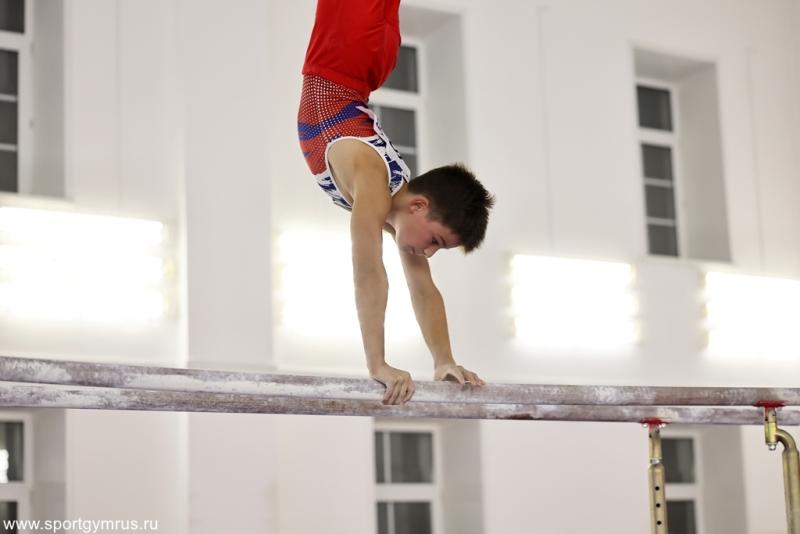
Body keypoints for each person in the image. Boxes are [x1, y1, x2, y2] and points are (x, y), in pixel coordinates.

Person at [297, 0, 494, 405]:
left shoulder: (396, 206)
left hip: (364, 64)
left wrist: (444, 360)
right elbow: (367, 271)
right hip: (346, 57)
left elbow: (424, 289)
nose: (428, 253)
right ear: (419, 206)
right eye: (435, 241)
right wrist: (378, 364)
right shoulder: (373, 185)